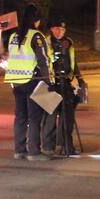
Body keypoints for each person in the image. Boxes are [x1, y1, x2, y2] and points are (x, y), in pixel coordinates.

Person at [3, 5, 52, 161]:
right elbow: (43, 60)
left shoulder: (14, 36)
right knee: (34, 118)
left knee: (20, 117)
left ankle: (19, 150)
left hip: (15, 82)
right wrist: (48, 82)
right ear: (36, 21)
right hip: (32, 81)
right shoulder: (36, 36)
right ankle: (34, 152)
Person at [42, 17, 85, 156]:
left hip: (66, 82)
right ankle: (49, 147)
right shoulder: (45, 42)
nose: (60, 31)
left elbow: (73, 62)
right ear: (51, 29)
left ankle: (66, 146)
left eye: (62, 29)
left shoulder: (69, 42)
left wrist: (80, 78)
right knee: (51, 114)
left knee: (68, 116)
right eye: (57, 28)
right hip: (50, 84)